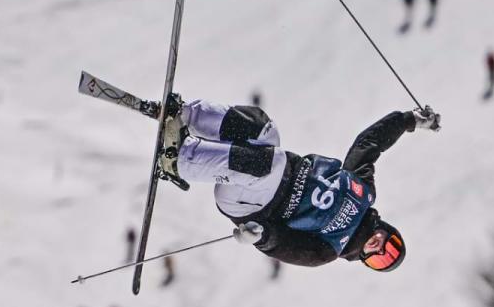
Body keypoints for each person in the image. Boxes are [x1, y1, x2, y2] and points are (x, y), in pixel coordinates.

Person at [142, 97, 440, 272]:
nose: (381, 248)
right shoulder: (363, 191)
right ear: (388, 229)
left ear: (366, 261)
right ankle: (185, 116)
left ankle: (178, 161)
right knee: (264, 130)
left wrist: (260, 236)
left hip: (253, 203)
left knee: (266, 165)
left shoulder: (328, 250)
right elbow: (369, 143)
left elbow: (285, 247)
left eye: (382, 259)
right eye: (391, 244)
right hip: (271, 165)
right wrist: (407, 121)